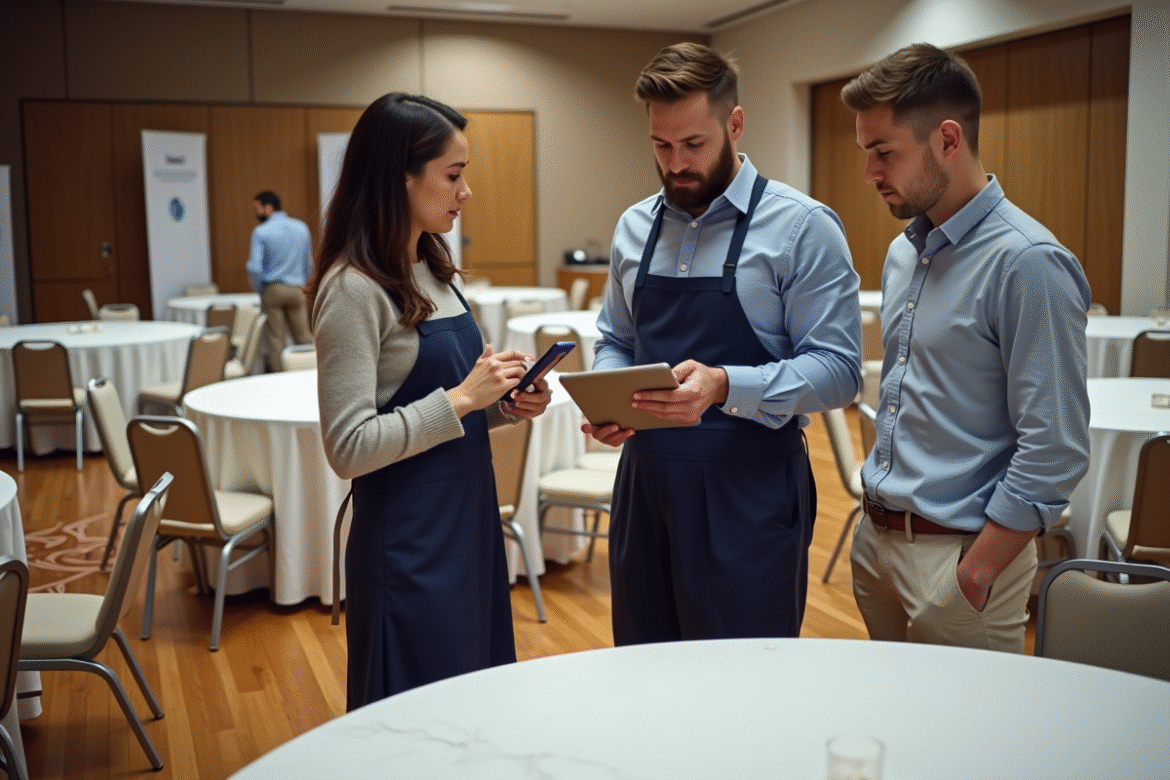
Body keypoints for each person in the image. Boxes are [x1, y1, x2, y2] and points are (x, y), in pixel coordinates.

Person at [589, 42, 862, 646]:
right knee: (643, 670)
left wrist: (725, 384)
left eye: (694, 144)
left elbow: (840, 370)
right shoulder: (634, 227)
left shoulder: (802, 226)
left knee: (743, 686)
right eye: (662, 145)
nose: (676, 163)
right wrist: (610, 398)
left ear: (735, 124)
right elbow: (616, 337)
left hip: (750, 494)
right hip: (647, 487)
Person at [841, 44, 1091, 653]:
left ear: (948, 139)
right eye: (865, 154)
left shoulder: (1028, 263)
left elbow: (1055, 447)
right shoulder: (905, 252)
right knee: (891, 734)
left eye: (884, 153)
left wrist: (977, 570)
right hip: (878, 543)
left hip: (960, 560)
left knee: (966, 743)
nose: (870, 174)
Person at [308, 93, 552, 708]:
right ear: (401, 177)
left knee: (473, 697)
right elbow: (348, 446)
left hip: (466, 522)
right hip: (408, 543)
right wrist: (464, 397)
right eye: (453, 174)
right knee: (418, 713)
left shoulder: (433, 269)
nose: (464, 191)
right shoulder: (353, 289)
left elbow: (448, 410)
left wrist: (501, 402)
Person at [247, 190, 314, 371]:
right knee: (304, 336)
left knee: (276, 340)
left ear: (268, 208)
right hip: (297, 289)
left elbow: (254, 267)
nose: (255, 213)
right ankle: (312, 371)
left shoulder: (261, 232)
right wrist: (305, 282)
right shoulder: (301, 227)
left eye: (257, 208)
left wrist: (260, 288)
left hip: (273, 289)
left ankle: (280, 377)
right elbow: (309, 262)